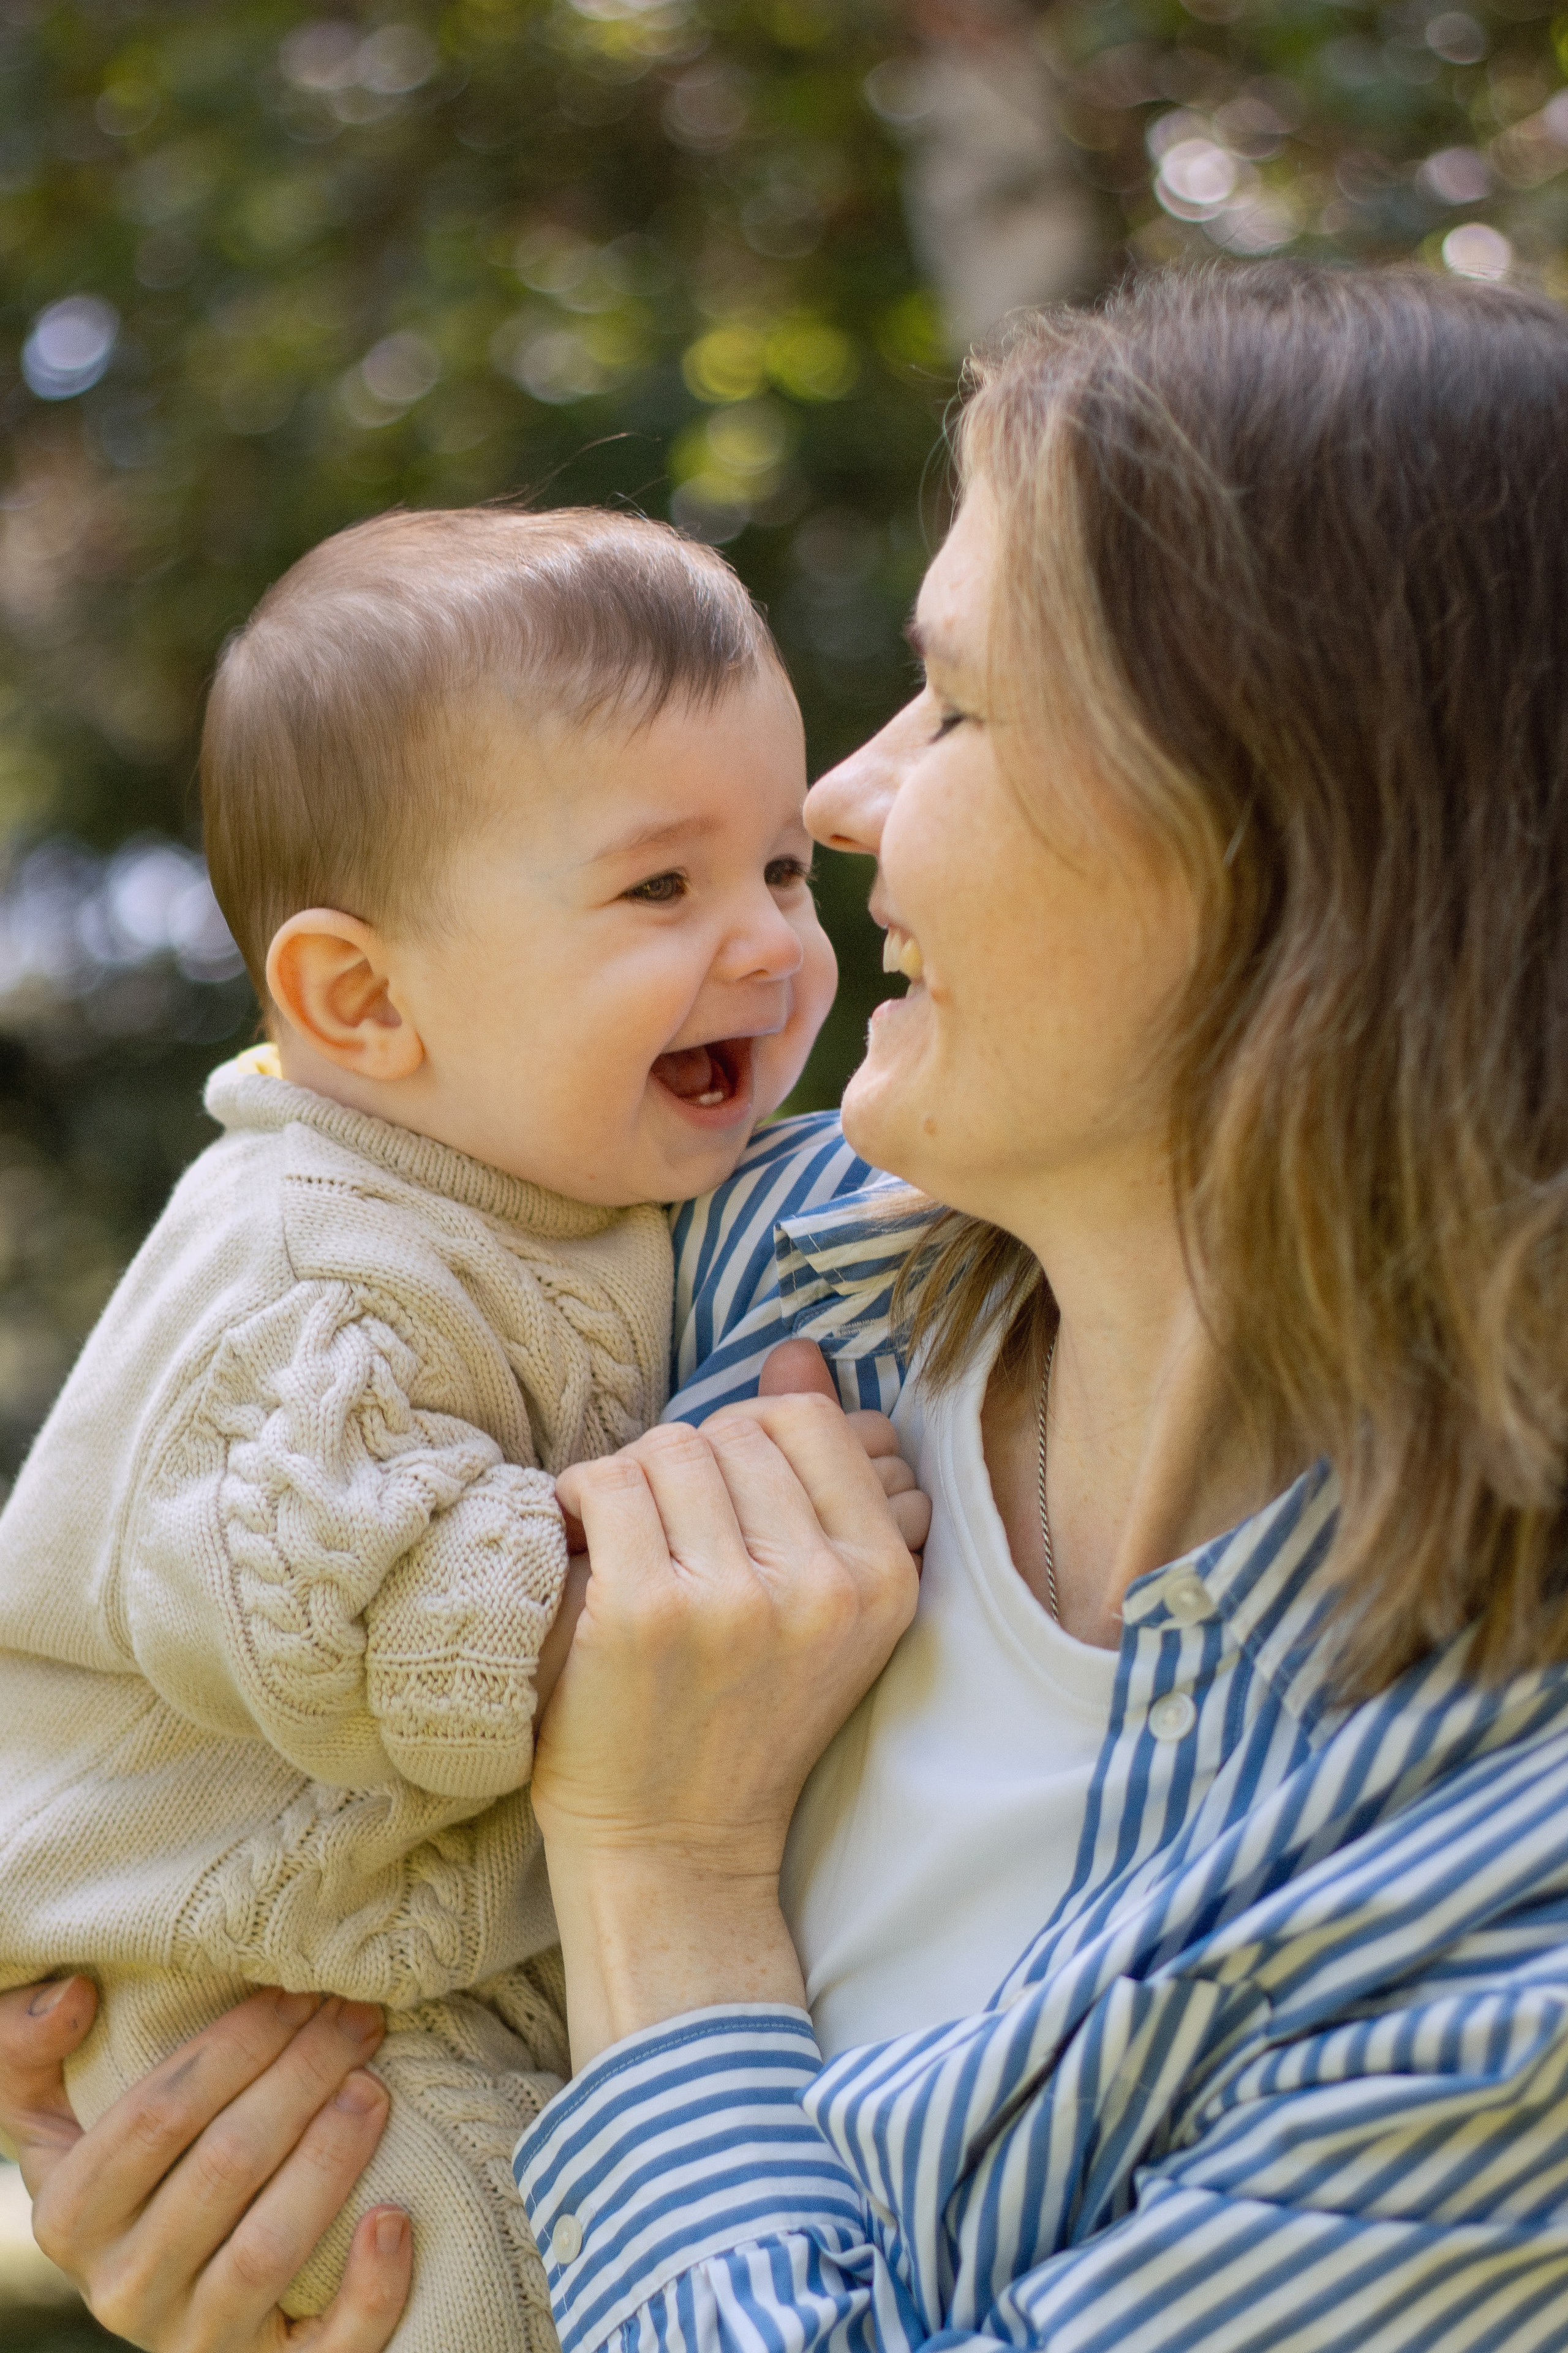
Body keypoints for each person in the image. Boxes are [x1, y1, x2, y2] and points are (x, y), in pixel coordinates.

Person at [6, 260, 1568, 2353]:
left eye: (966, 710)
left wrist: (662, 1865)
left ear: (1306, 845)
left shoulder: (1496, 1916)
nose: (842, 803)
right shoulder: (743, 1260)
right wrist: (249, 2219)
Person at [0, 506, 930, 2353]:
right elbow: (334, 1606)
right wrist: (676, 1546)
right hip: (242, 1992)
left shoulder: (592, 1191)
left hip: (420, 1932)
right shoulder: (306, 1265)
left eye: (776, 868)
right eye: (660, 892)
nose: (770, 939)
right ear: (362, 999)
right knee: (482, 2295)